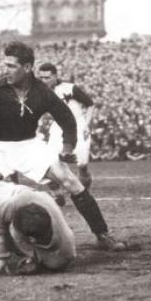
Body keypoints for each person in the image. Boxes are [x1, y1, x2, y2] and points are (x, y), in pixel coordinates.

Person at [0, 41, 126, 251]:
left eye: (12, 66)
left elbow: (67, 119)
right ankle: (0, 240)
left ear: (28, 67)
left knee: (69, 179)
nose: (7, 70)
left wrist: (68, 147)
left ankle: (102, 234)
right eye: (6, 65)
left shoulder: (42, 92)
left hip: (29, 146)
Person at [37, 62, 96, 206]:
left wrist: (86, 124)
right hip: (57, 128)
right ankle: (58, 195)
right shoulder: (40, 92)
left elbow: (90, 104)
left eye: (47, 77)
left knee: (82, 165)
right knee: (46, 163)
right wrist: (38, 126)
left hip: (78, 125)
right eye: (42, 77)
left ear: (55, 76)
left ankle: (83, 194)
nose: (44, 81)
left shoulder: (69, 88)